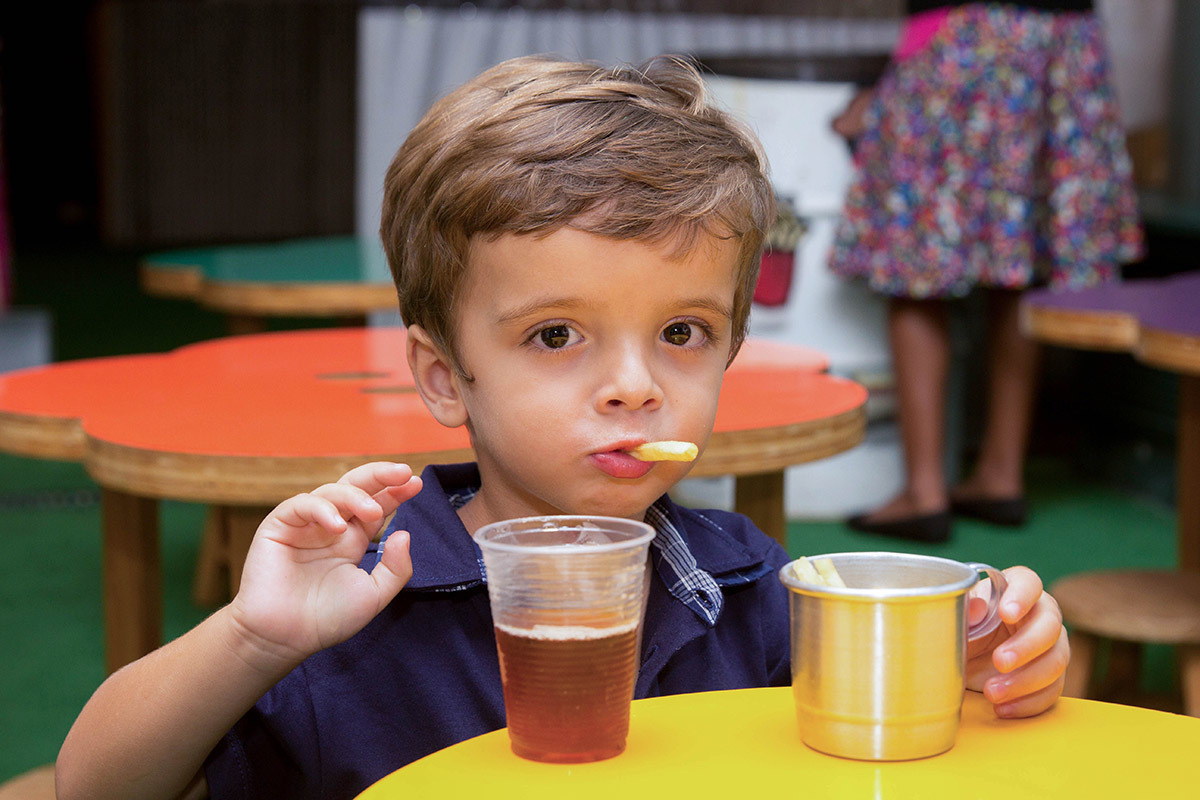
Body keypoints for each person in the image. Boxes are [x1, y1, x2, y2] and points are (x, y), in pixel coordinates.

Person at [56, 54, 1070, 800]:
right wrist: (252, 637)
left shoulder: (748, 587)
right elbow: (93, 785)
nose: (633, 386)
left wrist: (984, 659)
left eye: (682, 332)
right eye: (555, 335)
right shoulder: (360, 607)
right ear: (446, 379)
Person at [830, 1, 1144, 542]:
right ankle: (1000, 474)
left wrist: (887, 79)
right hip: (1067, 43)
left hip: (964, 34)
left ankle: (923, 492)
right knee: (1019, 259)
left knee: (915, 261)